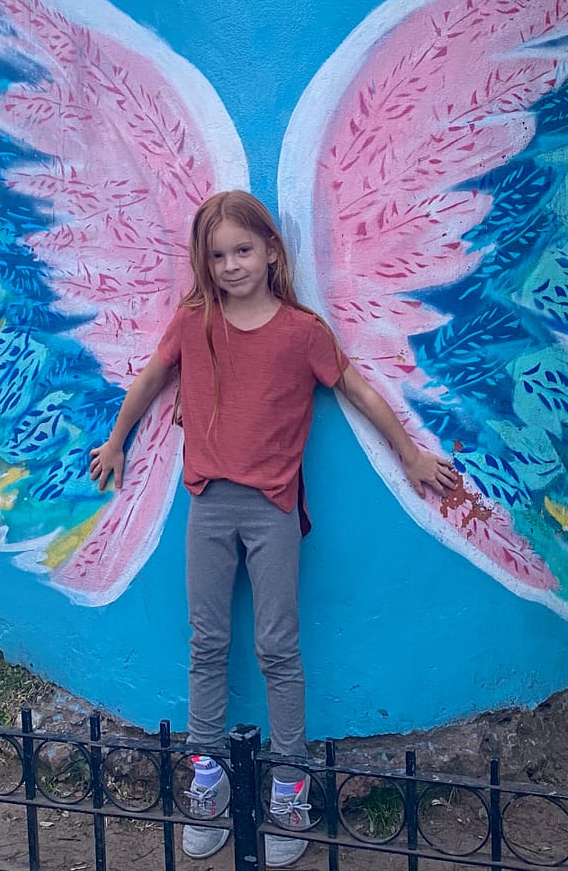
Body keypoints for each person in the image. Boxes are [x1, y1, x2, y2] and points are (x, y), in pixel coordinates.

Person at [89, 190, 456, 866]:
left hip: (273, 510)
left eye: (243, 250)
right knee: (207, 641)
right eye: (218, 254)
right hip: (208, 504)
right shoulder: (194, 322)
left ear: (270, 252)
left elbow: (358, 390)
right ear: (204, 261)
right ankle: (207, 782)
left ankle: (288, 788)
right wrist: (117, 442)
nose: (231, 265)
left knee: (277, 648)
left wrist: (409, 455)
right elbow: (151, 379)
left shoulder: (301, 332)